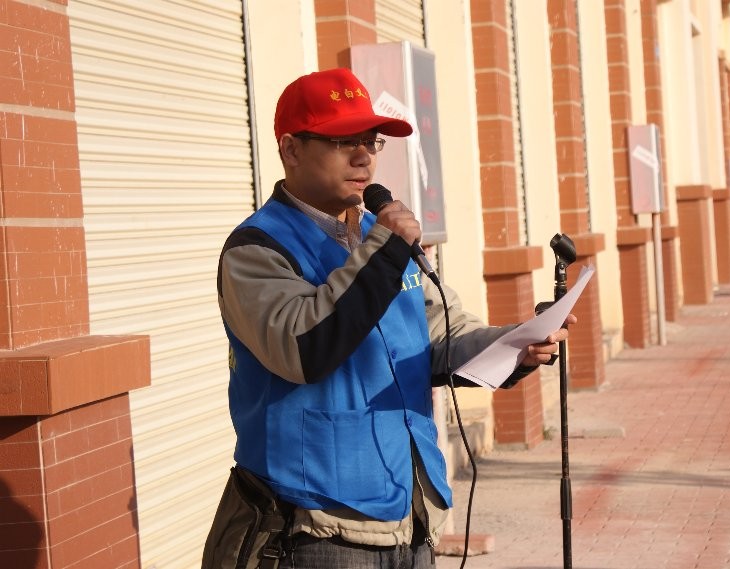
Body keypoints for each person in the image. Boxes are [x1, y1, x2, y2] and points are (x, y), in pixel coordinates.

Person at [202, 67, 576, 569]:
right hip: (318, 530)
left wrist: (517, 345)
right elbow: (304, 347)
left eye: (372, 141)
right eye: (343, 141)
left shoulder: (381, 238)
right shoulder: (257, 249)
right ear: (291, 149)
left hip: (411, 514)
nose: (364, 156)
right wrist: (384, 251)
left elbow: (440, 334)